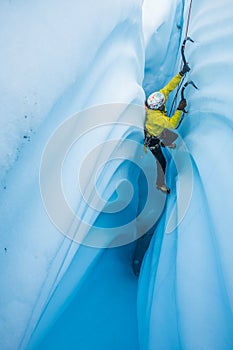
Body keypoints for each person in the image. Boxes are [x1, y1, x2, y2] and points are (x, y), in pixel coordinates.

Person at [144, 64, 190, 194]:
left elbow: (169, 88)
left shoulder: (157, 99)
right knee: (162, 162)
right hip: (153, 139)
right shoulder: (155, 117)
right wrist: (179, 109)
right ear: (158, 106)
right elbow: (172, 124)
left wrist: (181, 74)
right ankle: (160, 183)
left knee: (171, 137)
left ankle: (166, 143)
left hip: (158, 131)